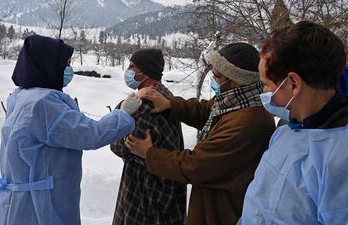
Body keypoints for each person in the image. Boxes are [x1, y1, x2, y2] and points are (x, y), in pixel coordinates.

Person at [0, 35, 142, 225]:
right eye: (65, 64)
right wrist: (123, 114)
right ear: (48, 64)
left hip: (19, 204)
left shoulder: (20, 97)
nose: (68, 69)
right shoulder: (44, 104)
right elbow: (90, 134)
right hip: (41, 207)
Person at [126, 43, 276, 225]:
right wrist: (171, 104)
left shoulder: (247, 122)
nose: (213, 79)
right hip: (213, 203)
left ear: (236, 79)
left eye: (217, 76)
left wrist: (149, 154)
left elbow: (196, 165)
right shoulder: (238, 99)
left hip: (223, 211)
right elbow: (207, 111)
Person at [238, 21, 348, 225]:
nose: (264, 93)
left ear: (294, 84)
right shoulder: (285, 131)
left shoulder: (340, 158)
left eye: (266, 84)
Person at [110, 49, 187, 225]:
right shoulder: (164, 95)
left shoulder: (144, 106)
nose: (127, 71)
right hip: (164, 192)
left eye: (132, 66)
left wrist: (121, 111)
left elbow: (118, 144)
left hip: (145, 196)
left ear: (145, 72)